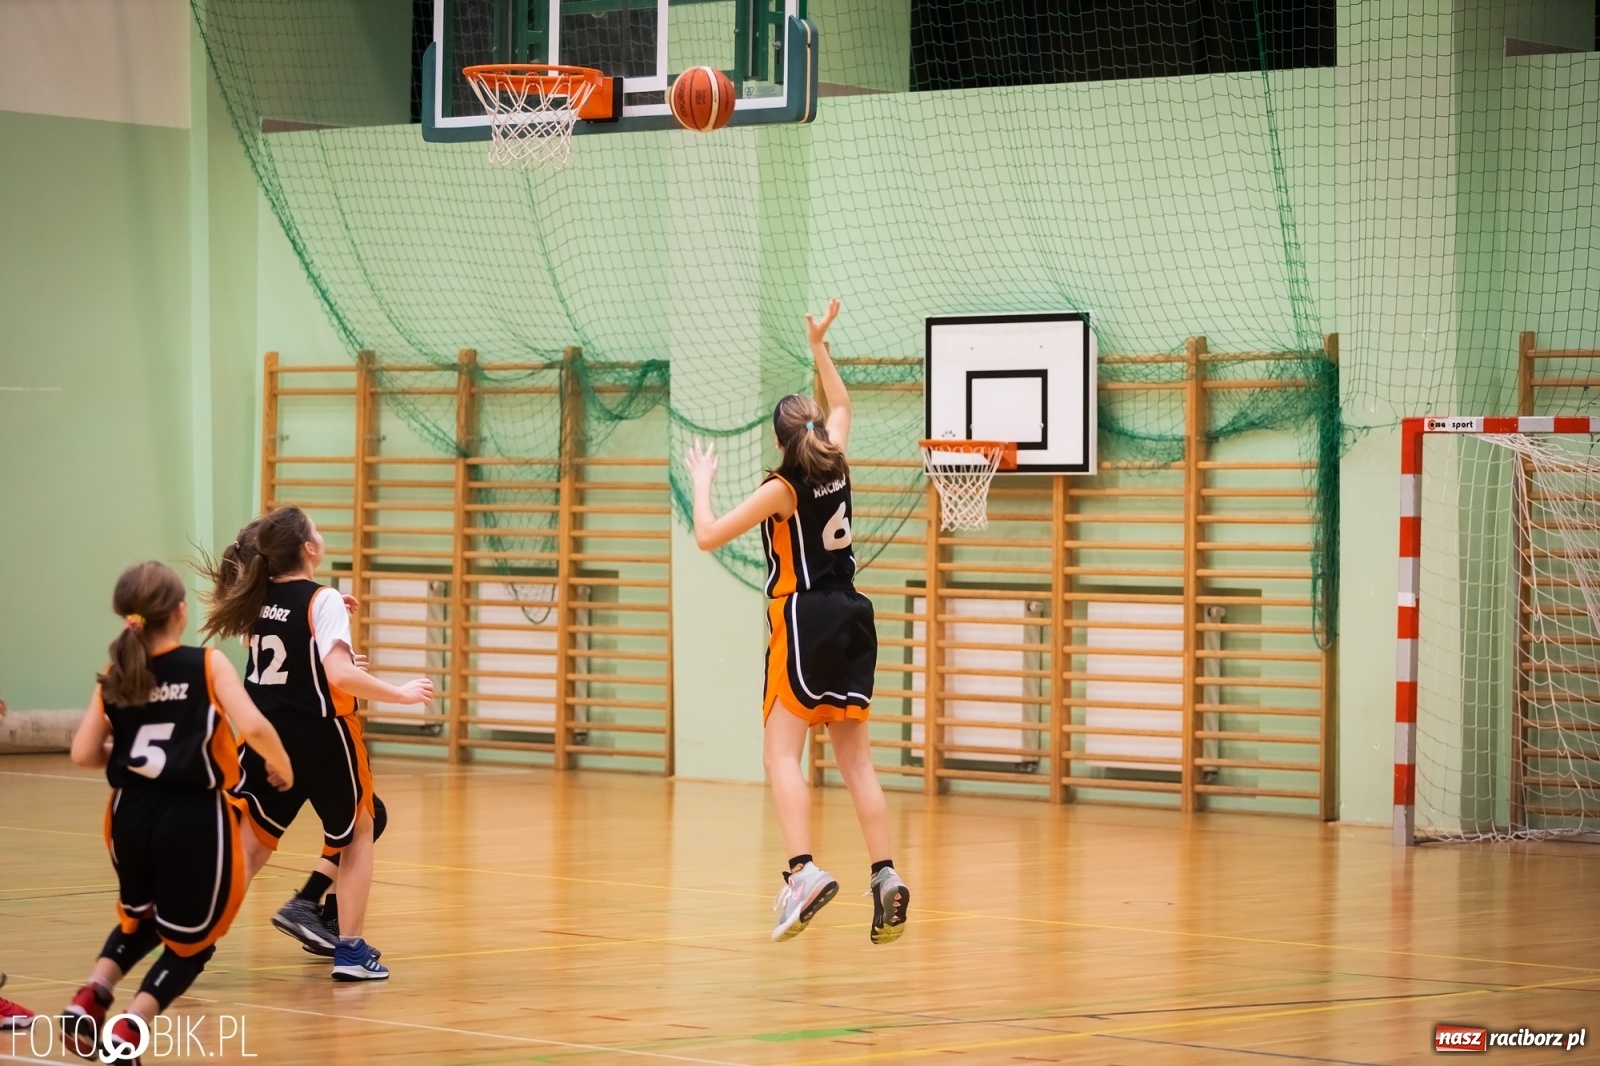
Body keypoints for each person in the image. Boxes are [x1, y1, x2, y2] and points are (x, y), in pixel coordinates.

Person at [684, 299, 910, 944]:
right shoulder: (836, 456)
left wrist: (702, 480)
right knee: (857, 763)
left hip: (803, 616)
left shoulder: (781, 487)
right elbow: (842, 405)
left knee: (780, 752)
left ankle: (803, 871)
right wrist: (819, 346)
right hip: (854, 615)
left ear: (781, 440)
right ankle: (885, 873)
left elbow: (705, 536)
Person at [57, 561, 295, 1059]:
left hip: (129, 817)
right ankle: (130, 1027)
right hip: (195, 819)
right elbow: (251, 726)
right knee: (195, 940)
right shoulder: (205, 665)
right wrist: (282, 765)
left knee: (140, 918)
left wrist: (124, 756)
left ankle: (92, 995)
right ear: (180, 613)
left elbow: (82, 753)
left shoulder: (115, 673)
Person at [201, 507, 433, 980]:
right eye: (317, 530)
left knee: (251, 848)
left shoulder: (257, 599)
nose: (322, 535)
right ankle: (350, 951)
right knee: (357, 833)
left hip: (267, 737)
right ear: (308, 548)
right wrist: (400, 694)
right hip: (324, 735)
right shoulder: (320, 599)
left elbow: (278, 655)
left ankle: (194, 939)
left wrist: (330, 627)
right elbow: (339, 674)